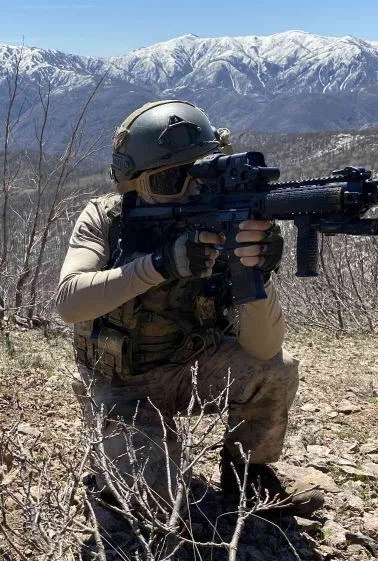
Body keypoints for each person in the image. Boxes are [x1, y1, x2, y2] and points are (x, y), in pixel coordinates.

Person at [55, 100, 324, 517]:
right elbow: (70, 302)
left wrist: (256, 274)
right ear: (132, 184)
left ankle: (247, 473)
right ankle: (119, 448)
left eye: (201, 173)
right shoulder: (106, 219)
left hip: (192, 369)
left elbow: (263, 350)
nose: (192, 190)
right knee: (157, 508)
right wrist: (159, 265)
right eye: (171, 180)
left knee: (277, 369)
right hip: (121, 384)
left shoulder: (224, 225)